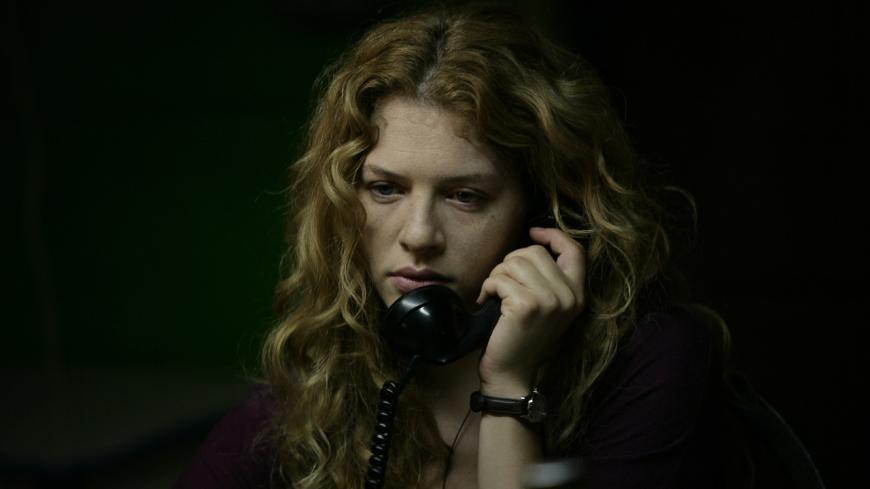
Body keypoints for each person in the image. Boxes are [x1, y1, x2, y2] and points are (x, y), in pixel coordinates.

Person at [176, 4, 756, 489]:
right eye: (385, 189)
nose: (418, 234)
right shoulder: (330, 376)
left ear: (545, 212)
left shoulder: (652, 362)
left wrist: (509, 386)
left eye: (465, 196)